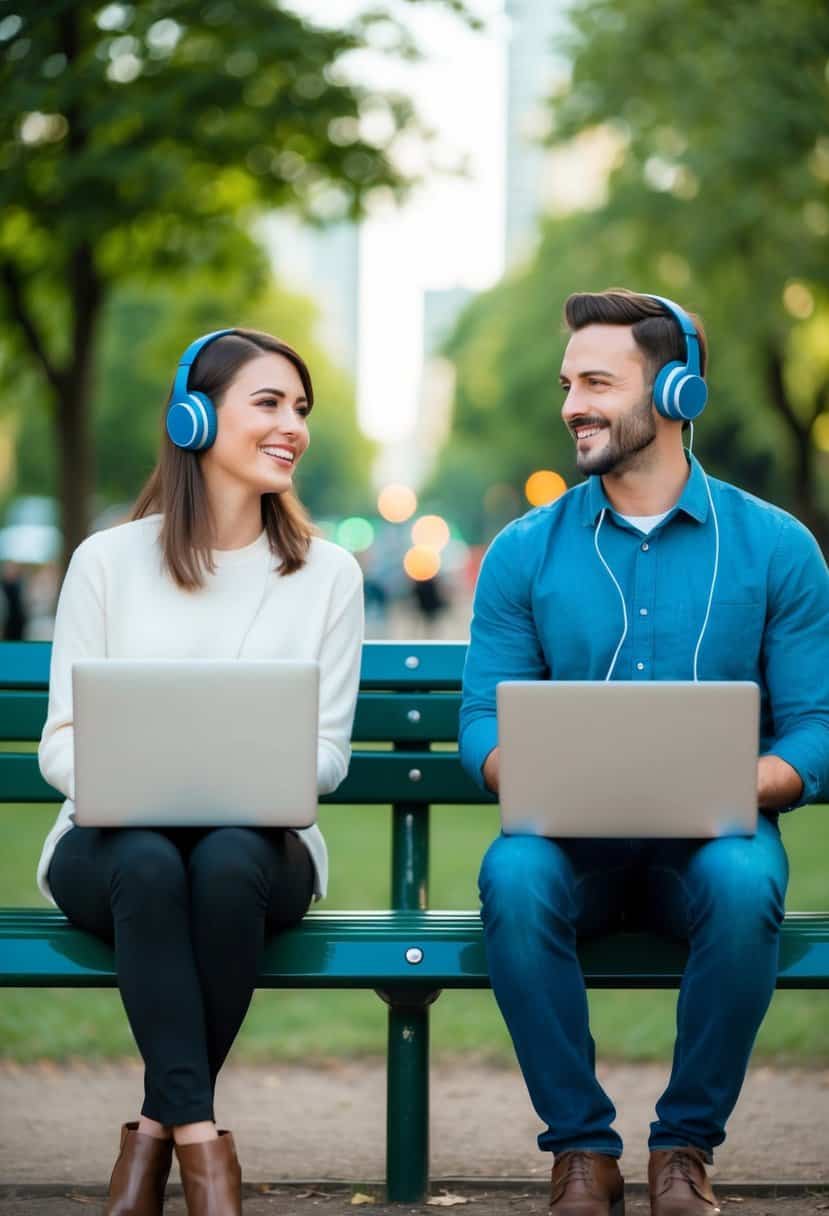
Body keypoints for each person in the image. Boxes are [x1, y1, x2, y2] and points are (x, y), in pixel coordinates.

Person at [459, 291, 829, 1216]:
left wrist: (745, 781)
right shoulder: (522, 552)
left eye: (595, 382)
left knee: (746, 882)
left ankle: (682, 1150)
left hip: (710, 847)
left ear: (674, 390)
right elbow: (479, 727)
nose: (570, 405)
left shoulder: (777, 548)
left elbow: (816, 727)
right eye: (566, 384)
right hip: (569, 851)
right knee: (512, 876)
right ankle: (581, 1151)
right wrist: (533, 773)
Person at [37, 329, 364, 1216]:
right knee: (146, 856)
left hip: (261, 849)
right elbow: (58, 741)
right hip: (107, 847)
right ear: (194, 417)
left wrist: (233, 778)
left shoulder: (327, 574)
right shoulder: (107, 562)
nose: (291, 425)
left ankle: (156, 1137)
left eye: (300, 409)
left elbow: (327, 755)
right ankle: (199, 1153)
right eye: (268, 403)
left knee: (221, 859)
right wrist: (130, 778)